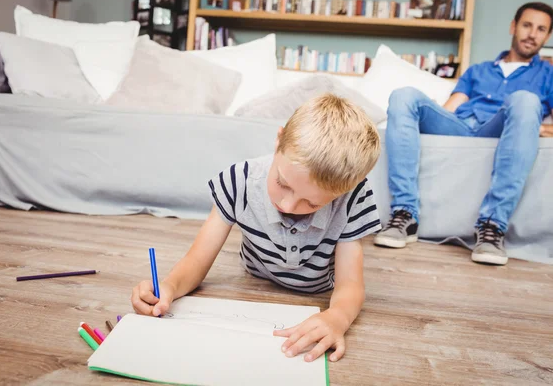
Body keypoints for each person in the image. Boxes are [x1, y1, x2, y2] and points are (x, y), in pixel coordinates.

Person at [131, 94, 382, 363]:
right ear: (278, 141)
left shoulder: (354, 197)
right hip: (254, 279)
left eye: (310, 202)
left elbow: (350, 285)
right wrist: (169, 286)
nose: (287, 204)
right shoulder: (239, 181)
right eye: (282, 183)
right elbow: (196, 259)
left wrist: (337, 317)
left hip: (319, 290)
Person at [374, 2, 553, 265]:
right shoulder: (478, 70)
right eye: (527, 25)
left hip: (501, 127)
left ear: (548, 35)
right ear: (513, 26)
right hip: (460, 126)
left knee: (526, 101)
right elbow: (451, 108)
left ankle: (492, 226)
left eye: (541, 29)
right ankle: (405, 214)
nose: (533, 34)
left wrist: (527, 126)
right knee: (403, 95)